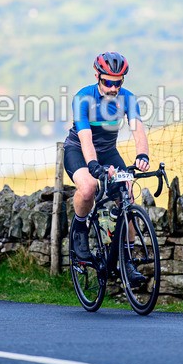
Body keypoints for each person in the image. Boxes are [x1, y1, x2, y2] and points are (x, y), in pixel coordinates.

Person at [63, 51, 150, 284]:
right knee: (89, 187)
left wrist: (142, 155)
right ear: (97, 76)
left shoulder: (128, 99)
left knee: (127, 198)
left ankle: (127, 261)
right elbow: (86, 139)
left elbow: (138, 130)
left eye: (118, 82)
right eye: (107, 82)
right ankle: (80, 231)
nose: (113, 88)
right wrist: (93, 166)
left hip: (108, 152)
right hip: (79, 150)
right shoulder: (83, 98)